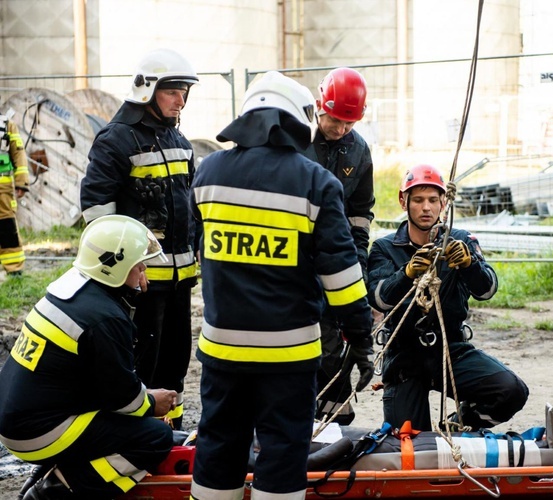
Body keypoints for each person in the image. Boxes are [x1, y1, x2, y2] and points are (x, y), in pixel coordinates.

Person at [189, 71, 373, 500]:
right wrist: (360, 339)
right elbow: (343, 279)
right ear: (300, 119)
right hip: (288, 355)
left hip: (222, 351)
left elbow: (200, 250)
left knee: (218, 445)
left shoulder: (209, 172)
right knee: (283, 448)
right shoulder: (315, 182)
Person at [0, 215, 178, 500]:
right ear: (116, 268)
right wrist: (152, 403)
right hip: (36, 432)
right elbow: (124, 400)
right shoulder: (104, 319)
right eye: (138, 263)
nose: (144, 268)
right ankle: (56, 489)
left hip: (19, 416)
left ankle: (52, 471)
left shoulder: (72, 287)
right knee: (155, 438)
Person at [79, 48, 200, 430]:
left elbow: (191, 205)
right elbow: (97, 212)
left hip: (180, 281)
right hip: (138, 284)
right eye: (172, 91)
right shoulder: (116, 140)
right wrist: (120, 269)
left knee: (175, 364)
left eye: (184, 91)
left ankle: (171, 438)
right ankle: (137, 439)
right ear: (146, 91)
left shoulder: (178, 140)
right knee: (140, 365)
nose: (180, 100)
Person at [367, 164, 529, 432]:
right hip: (405, 357)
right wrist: (405, 274)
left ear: (444, 202)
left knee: (511, 391)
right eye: (418, 200)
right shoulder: (385, 248)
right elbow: (379, 299)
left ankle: (458, 424)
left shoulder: (459, 241)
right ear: (403, 201)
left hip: (449, 349)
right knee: (410, 441)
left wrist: (469, 265)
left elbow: (487, 290)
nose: (426, 208)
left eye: (433, 200)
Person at [302, 67, 375, 425]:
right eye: (335, 120)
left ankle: (333, 420)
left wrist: (358, 259)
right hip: (298, 259)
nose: (341, 129)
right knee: (309, 339)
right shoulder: (297, 139)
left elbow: (361, 212)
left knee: (335, 340)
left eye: (349, 123)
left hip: (336, 260)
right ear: (320, 106)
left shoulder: (358, 149)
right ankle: (307, 414)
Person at [0, 112, 30, 276]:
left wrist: (21, 182)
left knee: (6, 227)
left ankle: (14, 269)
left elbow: (18, 153)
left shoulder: (7, 125)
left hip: (2, 188)